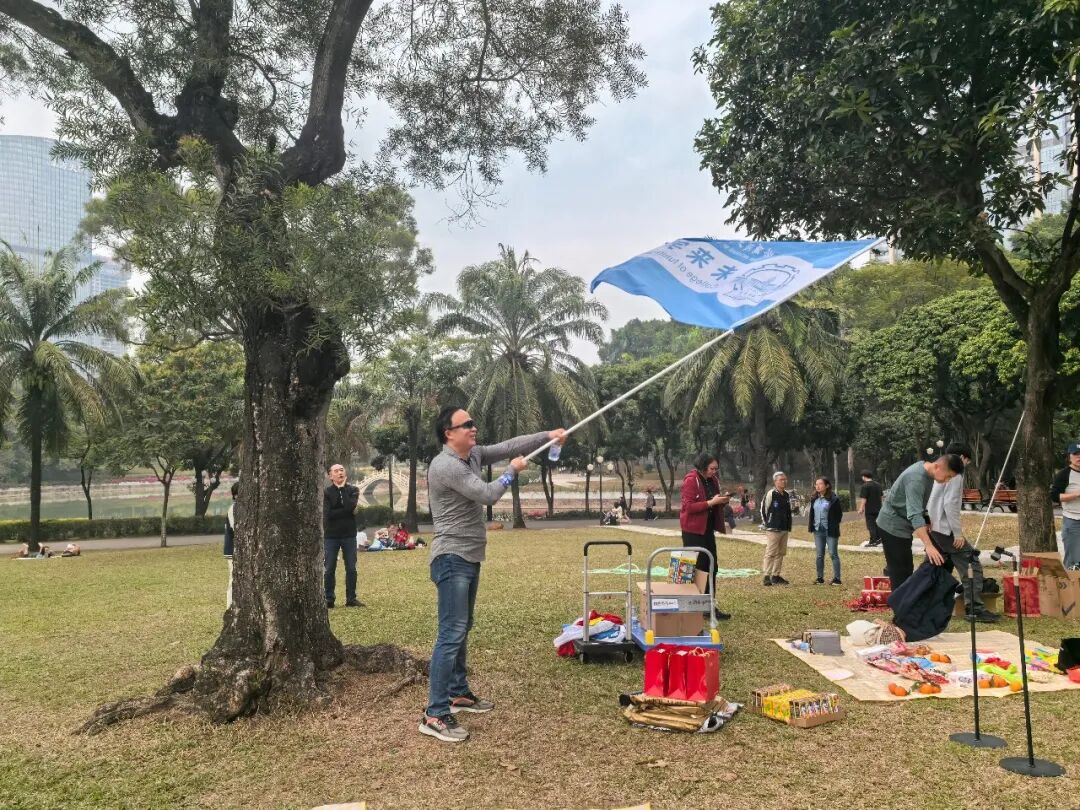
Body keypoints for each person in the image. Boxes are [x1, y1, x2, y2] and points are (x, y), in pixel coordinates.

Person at [419, 405, 565, 743]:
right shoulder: (445, 465)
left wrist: (548, 436)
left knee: (462, 627)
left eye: (473, 423)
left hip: (468, 556)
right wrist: (511, 472)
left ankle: (458, 693)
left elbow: (510, 446)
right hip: (451, 557)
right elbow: (487, 494)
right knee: (451, 633)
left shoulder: (472, 455)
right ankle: (434, 713)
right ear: (448, 433)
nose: (473, 427)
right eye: (466, 424)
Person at [927, 443, 998, 622]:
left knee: (937, 568)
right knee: (971, 564)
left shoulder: (939, 473)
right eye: (967, 461)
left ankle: (929, 603)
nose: (965, 465)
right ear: (961, 458)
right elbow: (950, 504)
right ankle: (974, 609)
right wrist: (957, 533)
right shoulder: (955, 475)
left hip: (935, 527)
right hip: (945, 530)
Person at [876, 454, 965, 591]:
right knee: (900, 571)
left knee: (906, 568)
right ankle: (899, 604)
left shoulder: (928, 473)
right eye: (948, 476)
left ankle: (903, 600)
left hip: (903, 526)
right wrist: (928, 546)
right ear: (937, 467)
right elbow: (914, 515)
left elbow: (920, 505)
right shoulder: (915, 479)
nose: (947, 481)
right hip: (891, 525)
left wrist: (927, 519)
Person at [679, 453, 732, 621]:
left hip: (707, 529)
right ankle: (692, 606)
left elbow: (713, 501)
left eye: (716, 469)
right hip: (693, 531)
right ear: (703, 467)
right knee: (695, 567)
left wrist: (722, 500)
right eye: (712, 469)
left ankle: (709, 606)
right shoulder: (691, 480)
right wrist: (711, 503)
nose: (714, 472)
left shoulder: (713, 480)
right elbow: (688, 507)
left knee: (712, 566)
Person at [323, 463, 361, 609]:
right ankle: (329, 599)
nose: (340, 473)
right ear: (330, 476)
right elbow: (328, 514)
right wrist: (347, 511)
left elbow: (349, 506)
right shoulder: (326, 492)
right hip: (331, 536)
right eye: (336, 471)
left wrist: (342, 489)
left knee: (351, 568)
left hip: (349, 535)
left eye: (341, 470)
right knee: (329, 568)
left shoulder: (353, 490)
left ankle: (351, 598)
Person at [1050, 440, 1080, 570]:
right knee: (1074, 559)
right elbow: (1054, 496)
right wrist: (1077, 494)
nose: (1079, 457)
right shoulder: (1064, 474)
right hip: (1073, 521)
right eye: (1076, 454)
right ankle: (1071, 581)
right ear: (1069, 456)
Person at [808, 476, 843, 585]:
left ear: (827, 485)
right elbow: (812, 514)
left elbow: (839, 515)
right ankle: (820, 578)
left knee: (833, 553)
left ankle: (837, 579)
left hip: (830, 530)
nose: (817, 486)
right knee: (819, 555)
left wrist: (833, 525)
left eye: (820, 484)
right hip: (818, 530)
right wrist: (812, 526)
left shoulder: (833, 499)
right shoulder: (814, 499)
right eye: (816, 484)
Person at [760, 472, 793, 586]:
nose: (784, 481)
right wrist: (767, 523)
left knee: (781, 553)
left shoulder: (786, 495)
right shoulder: (771, 494)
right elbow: (763, 509)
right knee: (771, 552)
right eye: (781, 479)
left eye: (785, 479)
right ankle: (766, 576)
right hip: (773, 528)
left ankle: (776, 575)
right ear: (775, 481)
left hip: (784, 528)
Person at [857, 470, 884, 547]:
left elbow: (864, 498)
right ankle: (879, 539)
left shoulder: (865, 486)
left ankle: (873, 541)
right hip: (879, 508)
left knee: (871, 525)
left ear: (864, 477)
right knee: (877, 524)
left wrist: (861, 508)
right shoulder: (878, 485)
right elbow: (881, 497)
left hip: (870, 509)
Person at [224, 481, 239, 608]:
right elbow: (236, 529)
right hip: (232, 550)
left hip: (237, 550)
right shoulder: (233, 508)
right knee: (233, 579)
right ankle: (229, 607)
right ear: (235, 495)